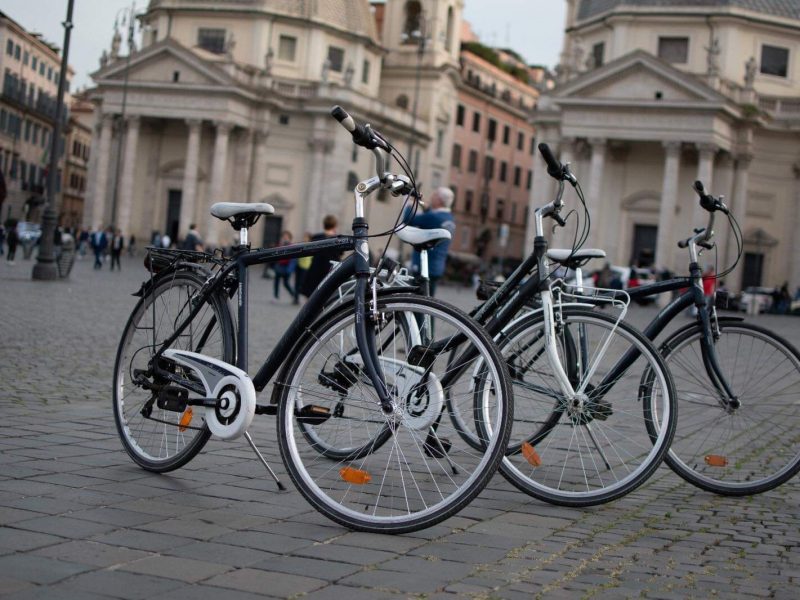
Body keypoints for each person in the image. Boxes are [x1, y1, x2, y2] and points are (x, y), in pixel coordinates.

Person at [403, 187, 456, 296]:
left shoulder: (432, 217)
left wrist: (409, 203)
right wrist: (426, 208)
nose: (431, 197)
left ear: (439, 200)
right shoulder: (449, 218)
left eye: (434, 195)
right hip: (437, 266)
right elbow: (433, 219)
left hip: (423, 266)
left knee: (417, 303)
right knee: (429, 301)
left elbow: (408, 220)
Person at [301, 215, 342, 298]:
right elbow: (340, 254)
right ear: (334, 226)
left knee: (312, 299)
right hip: (329, 272)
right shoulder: (338, 240)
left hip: (315, 271)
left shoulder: (316, 237)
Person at [273, 230, 296, 301]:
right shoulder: (281, 244)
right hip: (280, 265)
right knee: (276, 281)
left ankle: (293, 294)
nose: (285, 237)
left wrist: (290, 268)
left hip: (287, 267)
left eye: (286, 236)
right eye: (284, 236)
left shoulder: (291, 245)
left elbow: (292, 258)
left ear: (289, 237)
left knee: (286, 283)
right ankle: (276, 296)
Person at [294, 232, 312, 305]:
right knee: (297, 283)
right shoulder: (301, 245)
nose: (304, 238)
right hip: (299, 266)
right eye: (304, 237)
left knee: (303, 284)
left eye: (306, 237)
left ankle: (307, 299)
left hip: (306, 267)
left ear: (309, 238)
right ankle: (296, 298)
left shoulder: (311, 246)